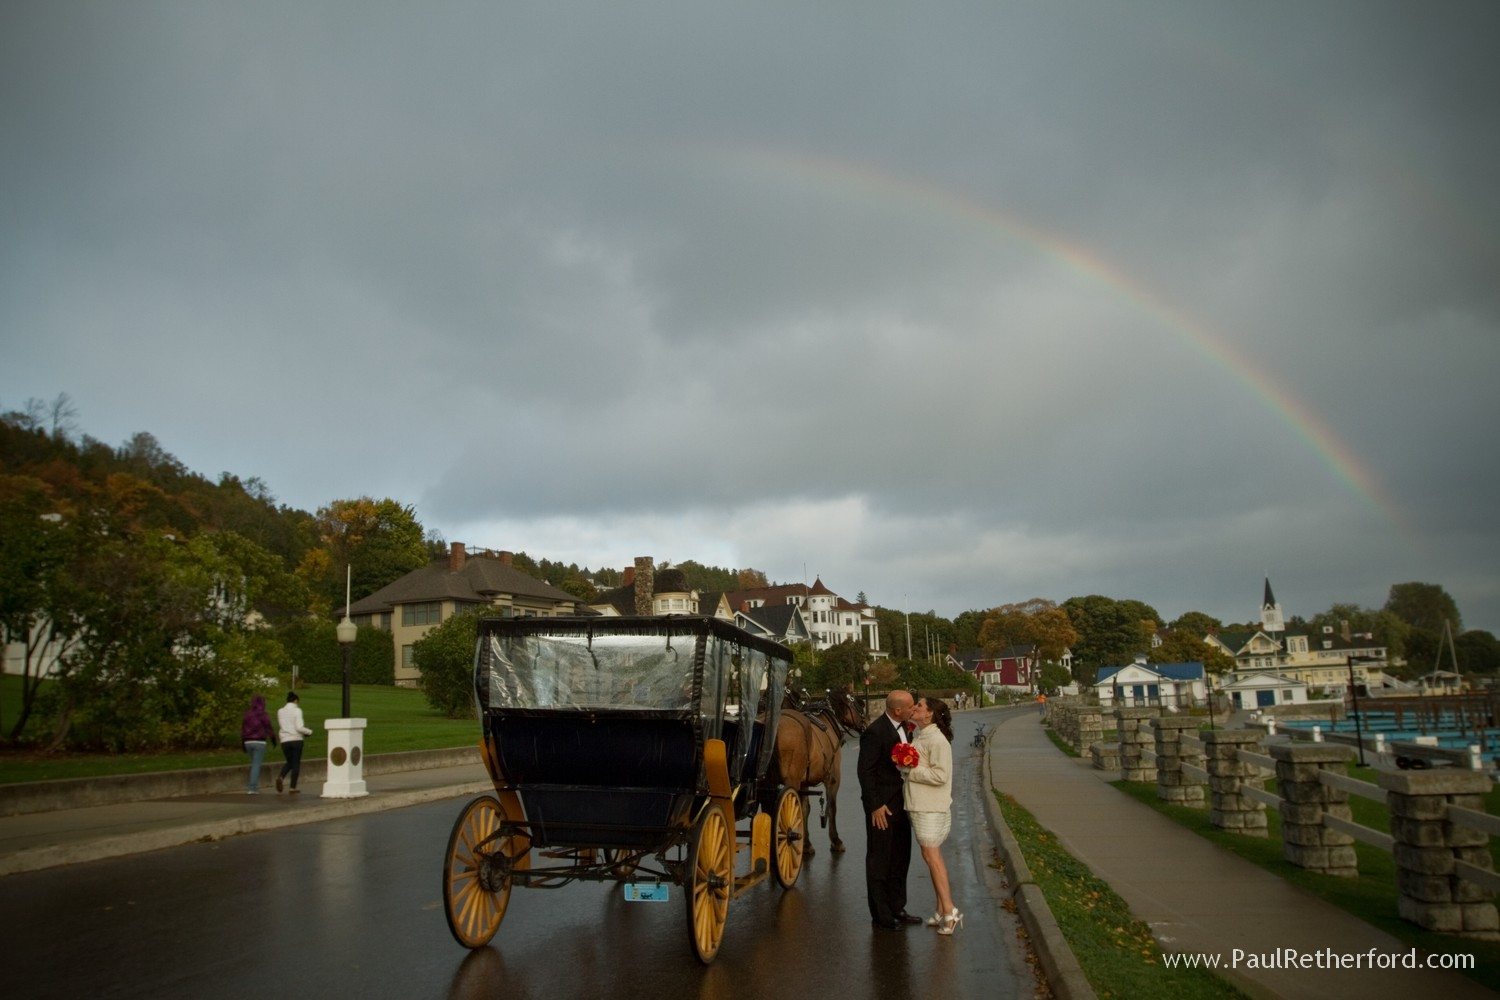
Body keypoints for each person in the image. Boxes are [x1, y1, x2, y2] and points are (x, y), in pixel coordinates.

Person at [857, 688, 919, 930]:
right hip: (882, 808)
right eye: (910, 707)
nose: (913, 710)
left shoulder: (906, 729)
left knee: (901, 857)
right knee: (880, 859)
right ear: (897, 710)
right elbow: (866, 772)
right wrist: (875, 806)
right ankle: (881, 915)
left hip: (903, 804)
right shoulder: (875, 732)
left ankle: (898, 907)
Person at [900, 696, 962, 934]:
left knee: (932, 858)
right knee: (931, 858)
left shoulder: (937, 740)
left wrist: (909, 769)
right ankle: (940, 909)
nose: (914, 708)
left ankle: (950, 911)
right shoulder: (922, 736)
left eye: (920, 706)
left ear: (929, 715)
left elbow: (940, 776)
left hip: (930, 808)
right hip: (921, 805)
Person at [276, 691, 313, 794]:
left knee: (290, 762)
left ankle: (281, 777)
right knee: (296, 763)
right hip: (296, 739)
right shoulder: (297, 710)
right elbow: (299, 727)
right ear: (296, 700)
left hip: (284, 740)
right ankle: (292, 787)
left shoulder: (280, 711)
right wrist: (309, 731)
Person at [240, 694, 276, 794]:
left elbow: (243, 728)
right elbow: (268, 727)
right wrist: (273, 738)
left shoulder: (247, 714)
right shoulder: (263, 714)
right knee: (256, 765)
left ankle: (252, 785)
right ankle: (252, 788)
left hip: (248, 741)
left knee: (254, 763)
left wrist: (243, 741)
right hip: (259, 741)